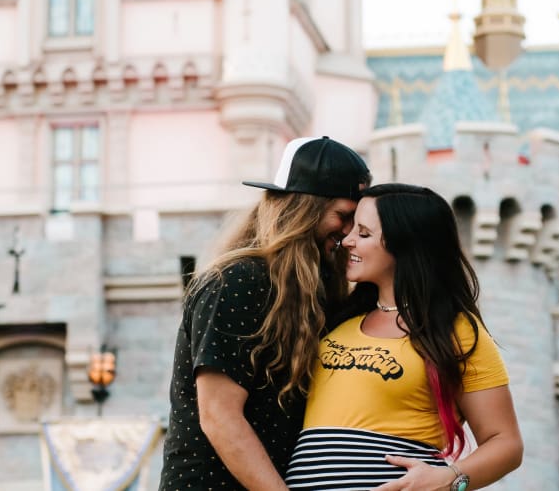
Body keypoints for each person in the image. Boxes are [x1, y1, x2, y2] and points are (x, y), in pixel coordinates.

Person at [159, 136, 371, 490]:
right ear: (305, 209)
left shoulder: (310, 289)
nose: (348, 233)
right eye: (343, 216)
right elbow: (219, 415)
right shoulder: (238, 280)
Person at [284, 183, 524, 491]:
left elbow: (506, 444)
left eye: (364, 233)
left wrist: (450, 481)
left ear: (405, 244)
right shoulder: (336, 321)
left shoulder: (455, 330)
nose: (348, 241)